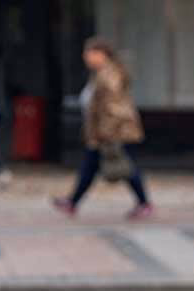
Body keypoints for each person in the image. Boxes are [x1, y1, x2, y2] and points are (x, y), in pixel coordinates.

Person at [52, 37, 153, 220]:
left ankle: (144, 203)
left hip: (112, 133)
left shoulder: (109, 75)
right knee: (91, 167)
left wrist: (105, 133)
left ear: (101, 54)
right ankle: (73, 202)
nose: (85, 57)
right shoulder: (101, 74)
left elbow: (113, 108)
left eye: (89, 53)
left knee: (124, 167)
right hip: (103, 132)